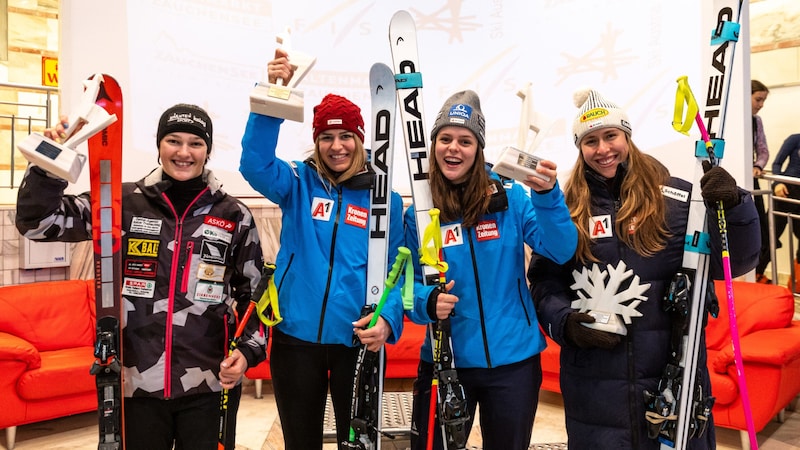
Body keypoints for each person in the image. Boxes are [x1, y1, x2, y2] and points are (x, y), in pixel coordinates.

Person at [15, 104, 267, 449]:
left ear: (207, 150)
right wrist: (49, 164)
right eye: (173, 141)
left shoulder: (233, 214)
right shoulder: (121, 203)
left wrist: (249, 352)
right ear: (159, 145)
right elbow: (38, 223)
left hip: (210, 383)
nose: (183, 152)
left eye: (195, 143)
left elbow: (254, 295)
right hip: (134, 383)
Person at [527, 89, 760, 449]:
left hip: (672, 373)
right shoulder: (568, 208)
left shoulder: (677, 199)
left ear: (627, 136)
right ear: (580, 148)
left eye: (610, 136)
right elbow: (544, 281)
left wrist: (732, 207)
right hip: (595, 385)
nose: (602, 148)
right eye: (590, 141)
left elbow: (734, 262)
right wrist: (565, 323)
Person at [239, 49, 406, 450]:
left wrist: (389, 322)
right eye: (326, 137)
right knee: (300, 441)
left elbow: (399, 275)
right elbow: (254, 164)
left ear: (360, 140)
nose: (336, 146)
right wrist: (273, 98)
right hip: (297, 337)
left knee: (359, 442)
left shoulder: (387, 201)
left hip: (356, 339)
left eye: (346, 135)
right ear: (315, 141)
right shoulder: (297, 183)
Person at [403, 90, 577, 450]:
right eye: (446, 138)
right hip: (445, 358)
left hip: (513, 362)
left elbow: (561, 250)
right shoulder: (418, 211)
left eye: (465, 141)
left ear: (478, 148)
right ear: (434, 144)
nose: (454, 148)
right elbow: (407, 286)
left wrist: (547, 197)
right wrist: (426, 301)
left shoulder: (510, 198)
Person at [770, 133, 800, 292]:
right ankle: (756, 275)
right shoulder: (795, 139)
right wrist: (778, 183)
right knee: (771, 237)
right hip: (785, 192)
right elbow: (776, 164)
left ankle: (797, 284)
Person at [752, 80, 772, 283]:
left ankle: (757, 273)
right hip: (734, 179)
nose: (761, 105)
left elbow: (763, 149)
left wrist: (758, 165)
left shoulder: (756, 121)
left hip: (752, 179)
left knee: (763, 231)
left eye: (763, 100)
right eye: (758, 99)